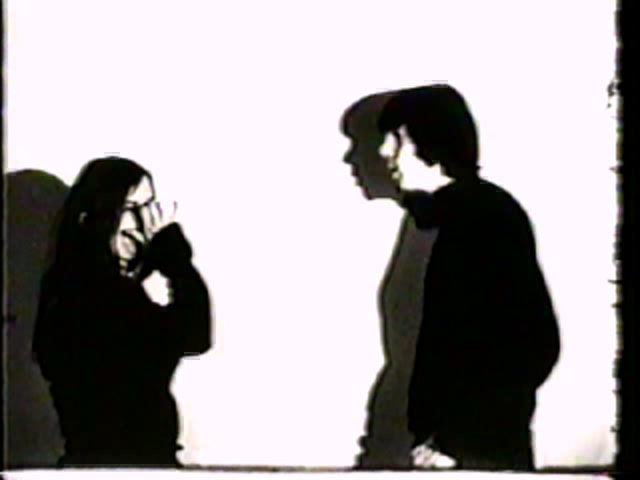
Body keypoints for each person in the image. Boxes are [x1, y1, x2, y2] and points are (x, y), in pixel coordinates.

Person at [371, 84, 561, 471]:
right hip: (456, 446)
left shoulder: (481, 216)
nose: (384, 152)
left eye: (396, 139)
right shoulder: (448, 216)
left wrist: (456, 441)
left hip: (473, 451)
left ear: (431, 141)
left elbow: (529, 343)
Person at [32, 156, 212, 468]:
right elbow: (193, 333)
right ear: (95, 214)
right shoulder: (94, 293)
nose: (146, 220)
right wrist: (176, 261)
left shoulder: (73, 286)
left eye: (149, 205)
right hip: (123, 465)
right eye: (131, 207)